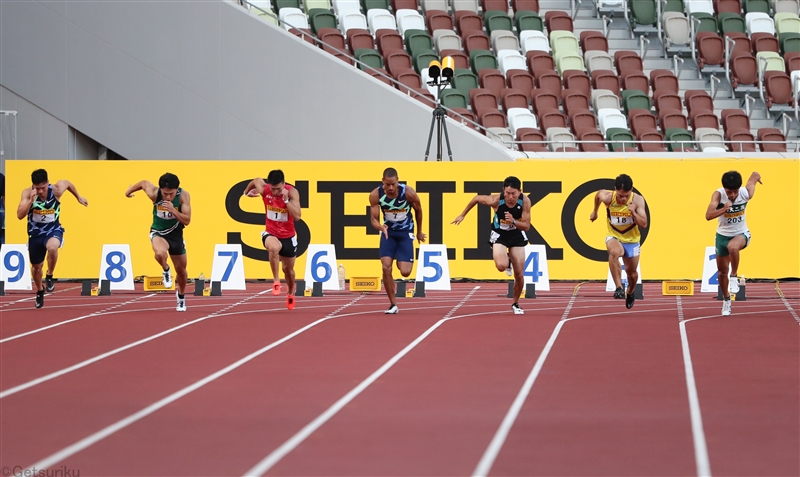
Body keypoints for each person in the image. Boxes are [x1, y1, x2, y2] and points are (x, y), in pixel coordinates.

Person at [452, 176, 531, 315]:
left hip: (517, 234)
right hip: (500, 235)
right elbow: (476, 198)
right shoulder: (495, 200)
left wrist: (513, 221)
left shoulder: (525, 201)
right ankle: (507, 260)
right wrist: (462, 214)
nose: (510, 197)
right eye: (507, 193)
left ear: (520, 192)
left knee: (519, 275)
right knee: (501, 266)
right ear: (503, 191)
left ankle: (515, 302)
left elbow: (526, 226)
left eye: (513, 193)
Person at [16, 169, 88, 308]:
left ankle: (49, 275)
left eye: (43, 188)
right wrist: (30, 202)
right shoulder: (27, 193)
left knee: (52, 247)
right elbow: (19, 215)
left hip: (53, 229)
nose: (40, 191)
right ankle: (40, 290)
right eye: (37, 188)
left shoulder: (56, 190)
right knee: (36, 268)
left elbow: (68, 183)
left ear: (48, 184)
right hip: (35, 234)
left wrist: (78, 197)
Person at [125, 173, 192, 312]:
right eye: (165, 193)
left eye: (171, 194)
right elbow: (143, 183)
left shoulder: (183, 196)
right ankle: (166, 269)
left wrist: (173, 210)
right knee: (160, 253)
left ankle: (181, 296)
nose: (167, 197)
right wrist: (129, 191)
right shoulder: (155, 194)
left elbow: (187, 220)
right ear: (160, 190)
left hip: (176, 235)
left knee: (182, 272)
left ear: (177, 190)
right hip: (158, 232)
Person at [705, 170, 761, 316]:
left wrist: (758, 177)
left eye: (735, 192)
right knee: (722, 273)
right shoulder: (718, 195)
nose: (732, 195)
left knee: (733, 247)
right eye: (729, 192)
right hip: (722, 236)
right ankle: (726, 300)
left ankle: (734, 276)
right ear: (724, 189)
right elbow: (708, 215)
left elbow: (754, 176)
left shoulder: (746, 193)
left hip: (741, 234)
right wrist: (723, 209)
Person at [369, 168, 425, 314]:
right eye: (388, 184)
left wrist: (418, 231)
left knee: (405, 272)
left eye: (393, 184)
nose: (391, 188)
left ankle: (400, 257)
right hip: (389, 234)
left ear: (398, 181)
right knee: (386, 267)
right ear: (383, 182)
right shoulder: (376, 195)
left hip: (405, 232)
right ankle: (393, 304)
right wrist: (381, 228)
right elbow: (373, 219)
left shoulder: (408, 192)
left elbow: (419, 210)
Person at [244, 170, 301, 310]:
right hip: (271, 232)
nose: (275, 192)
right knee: (273, 248)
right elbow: (256, 179)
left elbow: (298, 216)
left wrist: (286, 200)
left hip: (288, 236)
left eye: (279, 189)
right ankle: (276, 281)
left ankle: (290, 292)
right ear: (269, 185)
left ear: (284, 184)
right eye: (273, 189)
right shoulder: (265, 190)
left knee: (288, 270)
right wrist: (246, 193)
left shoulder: (292, 192)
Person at [589, 174, 648, 309]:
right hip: (614, 235)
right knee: (615, 252)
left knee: (632, 274)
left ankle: (630, 291)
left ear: (631, 190)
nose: (623, 199)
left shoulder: (637, 201)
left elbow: (644, 224)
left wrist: (633, 213)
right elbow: (598, 195)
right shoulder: (609, 198)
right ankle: (619, 288)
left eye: (626, 196)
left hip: (632, 240)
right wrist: (595, 212)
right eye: (620, 195)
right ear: (615, 190)